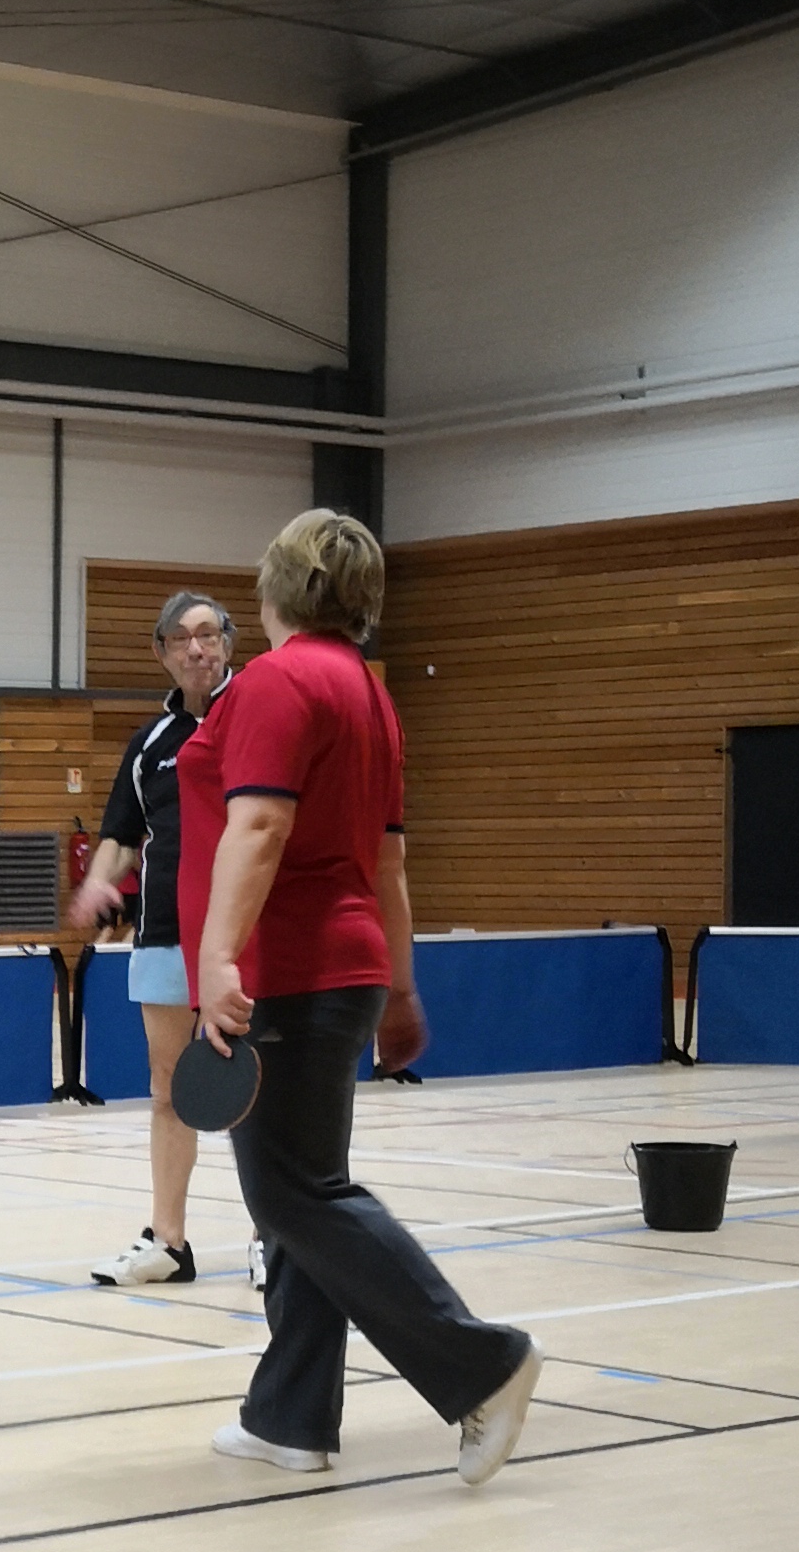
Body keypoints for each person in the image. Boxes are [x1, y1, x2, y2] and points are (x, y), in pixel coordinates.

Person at [180, 509, 541, 1487]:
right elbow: (388, 862)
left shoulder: (278, 681)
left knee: (295, 1192)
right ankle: (290, 1417)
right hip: (344, 966)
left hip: (287, 968)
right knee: (301, 1199)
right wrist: (402, 985)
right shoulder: (369, 695)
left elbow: (259, 827)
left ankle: (483, 1363)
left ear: (276, 586)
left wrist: (217, 956)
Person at [70, 590, 236, 1286]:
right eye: (181, 639)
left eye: (208, 634)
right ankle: (169, 1243)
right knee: (169, 1089)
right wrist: (97, 884)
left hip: (243, 934)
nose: (196, 649)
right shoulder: (149, 746)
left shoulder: (256, 717)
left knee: (255, 1087)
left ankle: (275, 1239)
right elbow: (119, 835)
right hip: (166, 932)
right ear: (162, 653)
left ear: (227, 642)